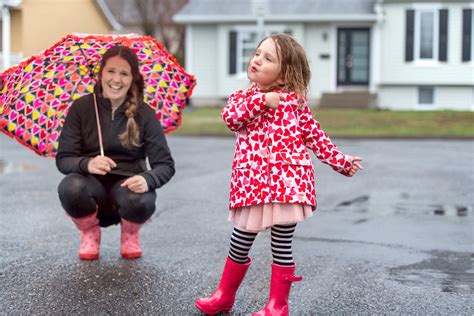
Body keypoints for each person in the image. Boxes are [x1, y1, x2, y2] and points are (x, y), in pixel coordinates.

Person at [195, 34, 363, 315]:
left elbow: (316, 137)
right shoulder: (243, 98)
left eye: (268, 58)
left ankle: (277, 305)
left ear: (284, 75)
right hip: (252, 186)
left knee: (282, 244)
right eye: (257, 53)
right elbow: (231, 118)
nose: (257, 60)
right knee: (240, 239)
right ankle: (223, 296)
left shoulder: (295, 105)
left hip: (288, 186)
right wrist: (263, 101)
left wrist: (341, 161)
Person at [56, 45, 175, 260]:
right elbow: (64, 159)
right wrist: (87, 164)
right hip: (90, 189)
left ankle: (130, 234)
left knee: (140, 200)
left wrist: (147, 179)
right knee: (70, 186)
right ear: (100, 73)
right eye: (111, 71)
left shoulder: (144, 114)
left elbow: (165, 165)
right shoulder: (81, 108)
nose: (116, 79)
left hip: (128, 189)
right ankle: (89, 232)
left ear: (132, 78)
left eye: (124, 73)